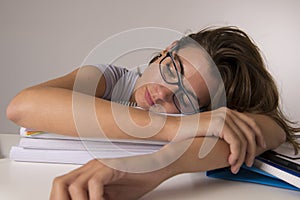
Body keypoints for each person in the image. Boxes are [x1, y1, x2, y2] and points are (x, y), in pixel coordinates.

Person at [6, 26, 299, 200]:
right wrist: (174, 127)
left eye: (184, 98)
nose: (160, 93)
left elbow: (269, 128)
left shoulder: (202, 117)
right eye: (172, 69)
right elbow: (21, 106)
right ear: (165, 51)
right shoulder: (110, 79)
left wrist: (156, 166)